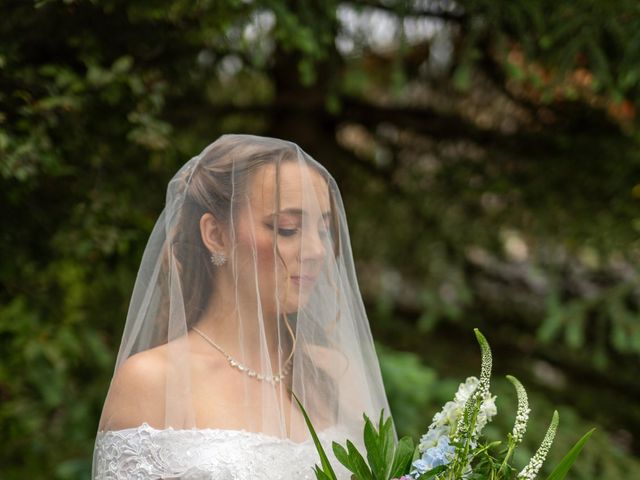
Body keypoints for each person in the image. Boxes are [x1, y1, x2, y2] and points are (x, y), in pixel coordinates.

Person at [92, 134, 394, 479]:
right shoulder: (151, 381)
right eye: (287, 229)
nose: (316, 251)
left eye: (323, 230)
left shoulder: (337, 373)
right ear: (216, 234)